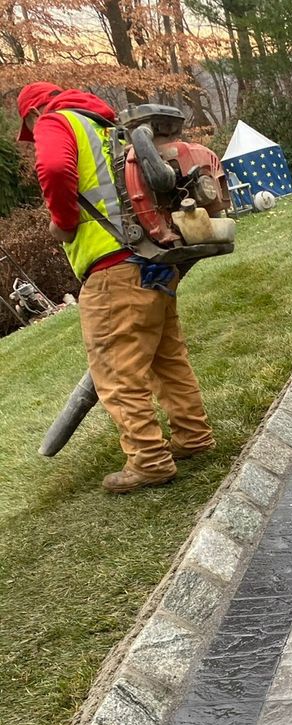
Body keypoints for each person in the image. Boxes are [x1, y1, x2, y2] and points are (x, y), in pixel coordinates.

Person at [16, 81, 215, 494]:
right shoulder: (111, 129)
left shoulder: (55, 121)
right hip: (153, 258)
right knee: (166, 356)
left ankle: (149, 460)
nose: (33, 136)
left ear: (34, 114)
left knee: (116, 369)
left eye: (29, 129)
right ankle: (192, 436)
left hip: (113, 268)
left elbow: (53, 170)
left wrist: (65, 222)